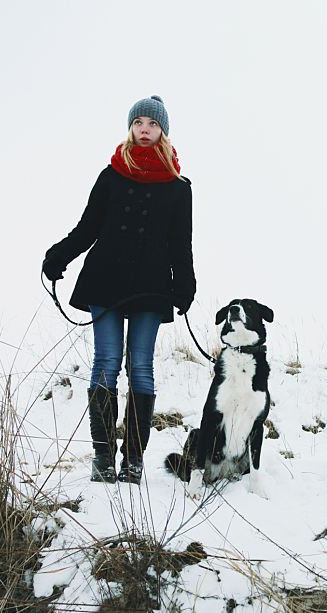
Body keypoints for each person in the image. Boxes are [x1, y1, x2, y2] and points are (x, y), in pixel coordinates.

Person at [42, 95, 195, 484]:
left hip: (151, 284)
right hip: (107, 278)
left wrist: (186, 283)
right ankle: (103, 455)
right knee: (106, 362)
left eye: (152, 124)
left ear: (163, 131)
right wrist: (59, 255)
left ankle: (134, 459)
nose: (145, 129)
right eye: (139, 122)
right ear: (131, 127)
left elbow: (181, 243)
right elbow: (88, 227)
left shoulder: (179, 188)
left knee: (140, 366)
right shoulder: (111, 175)